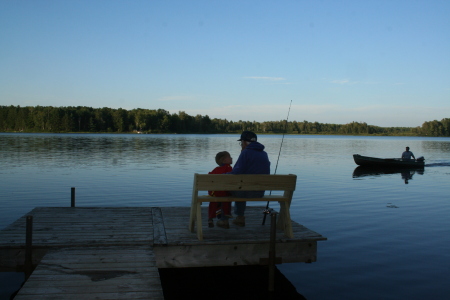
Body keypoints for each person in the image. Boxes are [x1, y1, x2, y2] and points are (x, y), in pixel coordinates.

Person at [228, 131, 270, 227]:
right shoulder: (264, 154)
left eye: (241, 142)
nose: (241, 145)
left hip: (245, 191)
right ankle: (238, 217)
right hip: (259, 192)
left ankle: (226, 218)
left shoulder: (246, 153)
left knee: (227, 188)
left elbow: (236, 172)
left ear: (245, 142)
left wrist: (224, 174)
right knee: (242, 187)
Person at [208, 151, 233, 229]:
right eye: (229, 157)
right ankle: (226, 214)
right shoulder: (229, 168)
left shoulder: (216, 169)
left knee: (214, 202)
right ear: (224, 161)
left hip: (214, 192)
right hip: (224, 192)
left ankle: (211, 218)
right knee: (227, 198)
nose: (231, 158)